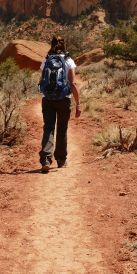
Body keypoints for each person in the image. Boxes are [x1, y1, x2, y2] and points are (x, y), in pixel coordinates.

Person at [39, 35, 81, 173]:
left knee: (49, 128)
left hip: (48, 99)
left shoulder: (46, 60)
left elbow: (43, 79)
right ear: (64, 45)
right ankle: (61, 160)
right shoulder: (68, 60)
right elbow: (73, 83)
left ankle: (46, 159)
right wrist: (78, 103)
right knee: (62, 128)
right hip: (64, 99)